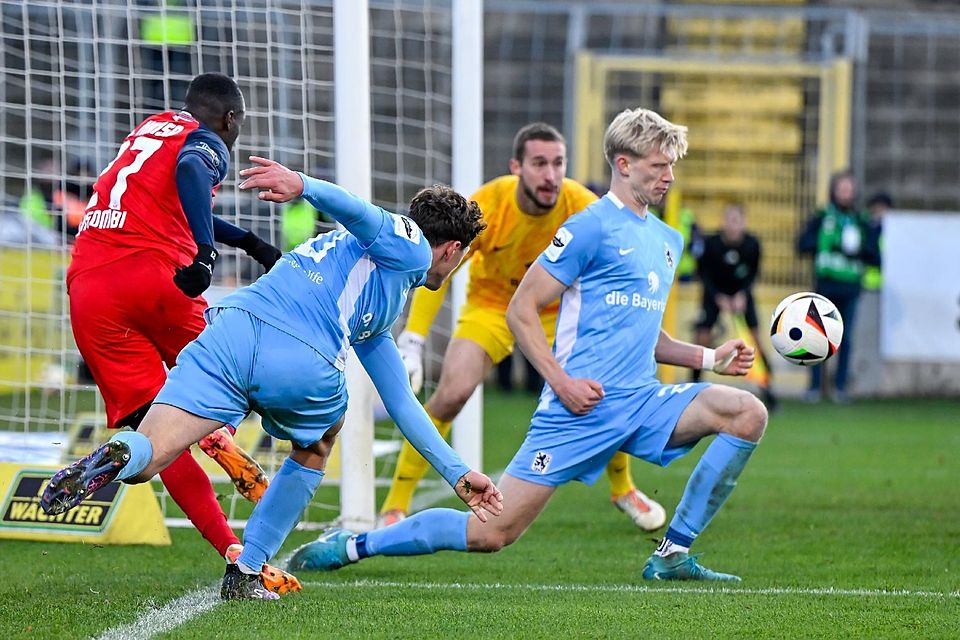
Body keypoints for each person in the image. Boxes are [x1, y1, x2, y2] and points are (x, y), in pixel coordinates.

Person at [289, 107, 767, 582]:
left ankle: (672, 553)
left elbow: (645, 333)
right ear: (624, 164)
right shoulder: (589, 226)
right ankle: (355, 544)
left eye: (671, 165)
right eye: (658, 165)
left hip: (642, 401)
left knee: (746, 413)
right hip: (578, 412)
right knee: (491, 533)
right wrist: (562, 383)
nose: (669, 176)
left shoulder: (666, 239)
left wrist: (709, 357)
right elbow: (521, 309)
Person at [41, 157, 502, 600]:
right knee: (320, 441)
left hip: (232, 328)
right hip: (301, 357)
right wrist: (302, 184)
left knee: (150, 455)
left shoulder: (370, 301)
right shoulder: (413, 244)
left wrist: (457, 473)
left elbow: (402, 401)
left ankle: (118, 452)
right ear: (453, 250)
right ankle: (247, 569)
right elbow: (362, 211)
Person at [62, 73, 294, 591]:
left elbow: (177, 205)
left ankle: (232, 552)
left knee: (152, 442)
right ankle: (216, 436)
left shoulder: (150, 131)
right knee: (229, 380)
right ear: (230, 119)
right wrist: (209, 255)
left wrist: (252, 244)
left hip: (89, 289)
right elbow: (193, 169)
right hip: (155, 277)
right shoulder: (206, 140)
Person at [381, 123, 666, 531]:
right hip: (492, 308)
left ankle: (622, 488)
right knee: (451, 393)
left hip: (556, 315)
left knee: (598, 390)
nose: (550, 174)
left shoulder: (584, 207)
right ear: (517, 166)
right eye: (538, 164)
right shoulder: (486, 206)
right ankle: (396, 504)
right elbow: (438, 269)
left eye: (558, 163)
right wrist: (412, 339)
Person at [797, 171, 880, 403]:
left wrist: (856, 249)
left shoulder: (862, 221)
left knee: (845, 338)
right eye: (841, 188)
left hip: (850, 288)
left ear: (854, 192)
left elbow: (875, 256)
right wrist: (826, 243)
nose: (845, 193)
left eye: (849, 189)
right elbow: (802, 244)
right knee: (816, 336)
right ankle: (814, 387)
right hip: (825, 285)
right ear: (834, 191)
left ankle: (840, 387)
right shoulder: (822, 217)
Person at [692, 202, 777, 410]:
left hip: (742, 295)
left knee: (755, 340)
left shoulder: (752, 244)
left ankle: (769, 391)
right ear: (723, 221)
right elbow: (703, 274)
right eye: (729, 219)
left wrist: (742, 295)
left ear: (744, 222)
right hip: (714, 294)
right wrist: (718, 297)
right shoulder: (711, 244)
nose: (733, 224)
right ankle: (692, 389)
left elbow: (753, 275)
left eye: (737, 220)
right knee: (702, 338)